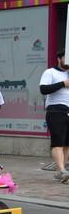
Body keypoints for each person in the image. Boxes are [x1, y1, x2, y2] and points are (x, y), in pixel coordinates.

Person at [39, 50, 69, 183]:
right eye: (66, 58)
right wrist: (63, 84)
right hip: (56, 109)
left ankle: (60, 171)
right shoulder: (50, 72)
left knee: (67, 144)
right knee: (58, 142)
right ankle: (62, 170)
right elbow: (43, 89)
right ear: (59, 58)